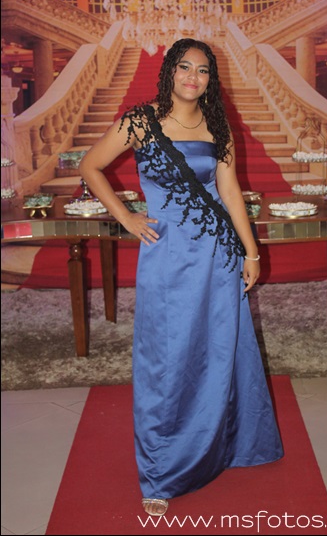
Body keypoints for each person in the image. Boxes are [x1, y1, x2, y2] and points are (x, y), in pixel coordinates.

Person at [79, 38, 283, 517]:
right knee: (167, 358)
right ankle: (161, 471)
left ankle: (228, 445)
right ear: (170, 70)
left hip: (218, 254)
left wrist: (251, 252)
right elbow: (91, 166)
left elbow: (230, 192)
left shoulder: (217, 124)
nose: (194, 77)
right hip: (168, 256)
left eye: (203, 70)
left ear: (211, 78)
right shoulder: (140, 121)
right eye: (185, 67)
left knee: (220, 347)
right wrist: (126, 217)